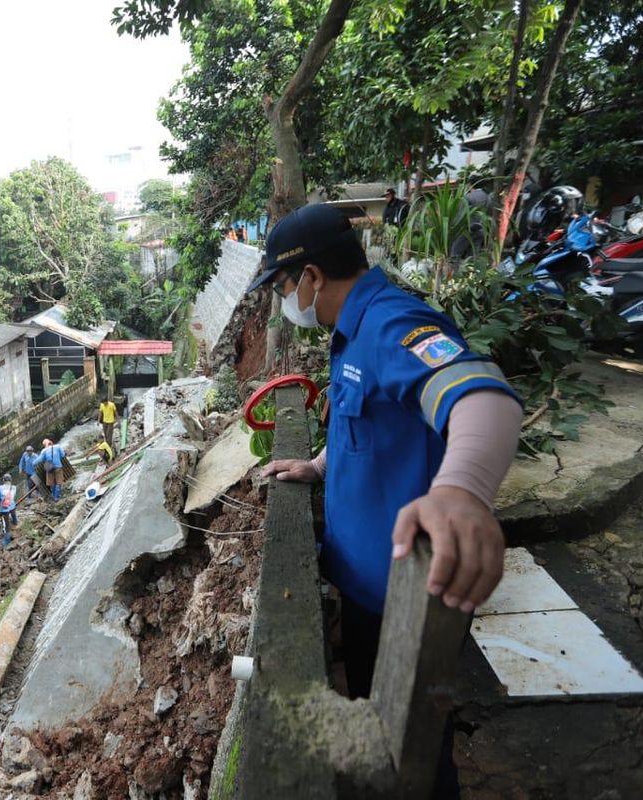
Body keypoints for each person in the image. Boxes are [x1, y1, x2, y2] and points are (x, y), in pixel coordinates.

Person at [249, 204, 522, 797]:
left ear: (313, 277)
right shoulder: (352, 330)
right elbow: (372, 426)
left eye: (281, 286)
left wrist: (461, 492)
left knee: (412, 748)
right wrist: (319, 465)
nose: (282, 301)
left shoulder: (391, 322)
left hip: (405, 599)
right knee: (378, 715)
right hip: (366, 587)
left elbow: (485, 399)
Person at [0, 474, 18, 546]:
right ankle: (15, 523)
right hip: (12, 506)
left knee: (6, 525)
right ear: (11, 480)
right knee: (14, 517)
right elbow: (12, 497)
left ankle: (7, 541)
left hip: (4, 509)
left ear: (3, 480)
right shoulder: (14, 487)